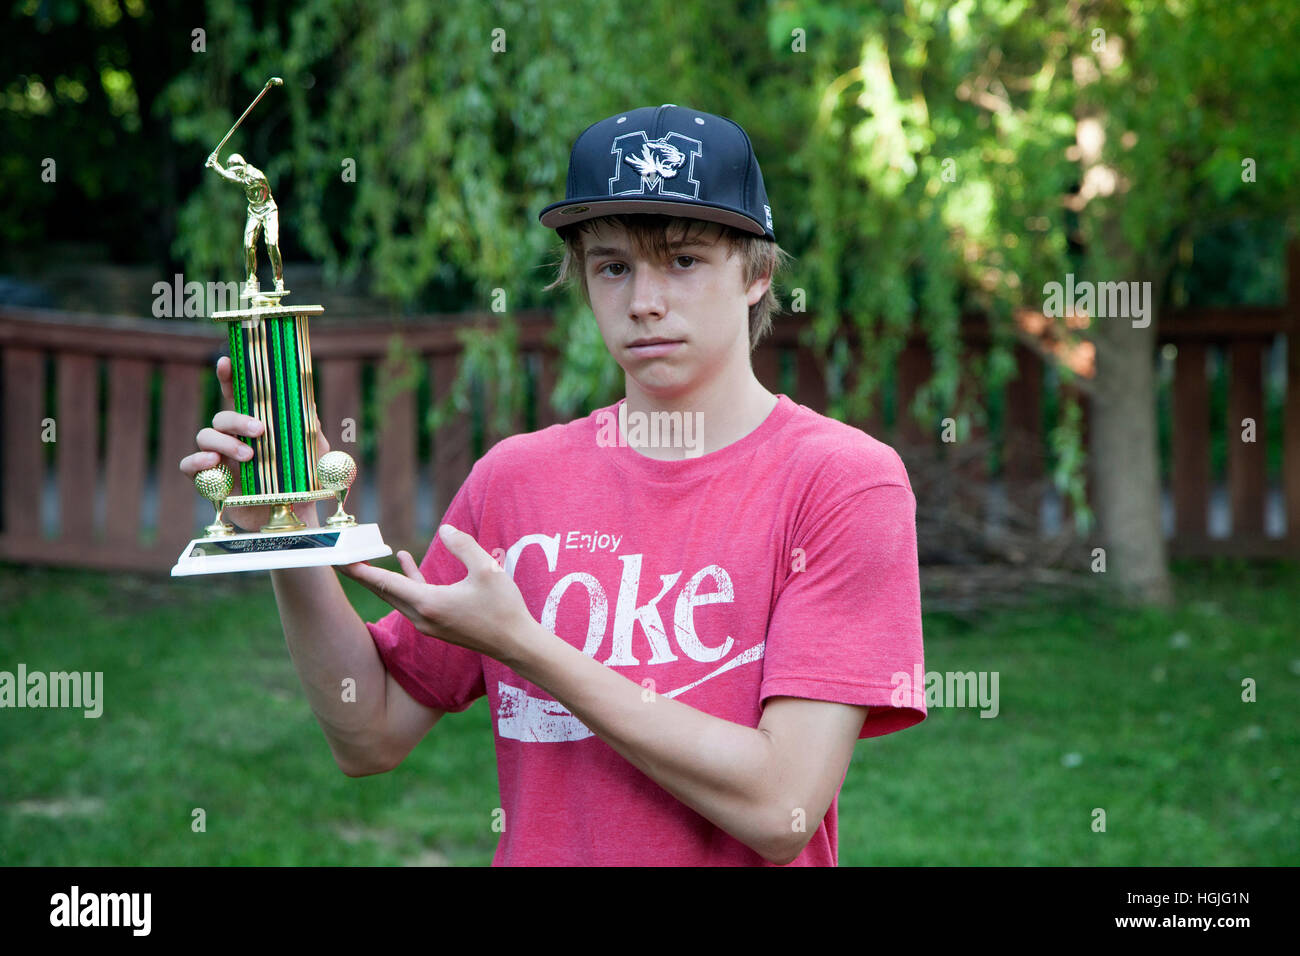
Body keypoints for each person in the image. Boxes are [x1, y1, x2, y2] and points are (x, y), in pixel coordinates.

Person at [181, 104, 926, 866]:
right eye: (612, 266)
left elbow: (781, 806)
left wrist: (526, 647)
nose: (643, 301)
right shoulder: (517, 479)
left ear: (757, 274)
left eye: (684, 260)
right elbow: (367, 732)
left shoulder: (842, 484)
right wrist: (287, 525)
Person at [204, 151, 284, 294]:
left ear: (243, 167)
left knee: (271, 243)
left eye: (238, 172)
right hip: (254, 210)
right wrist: (216, 166)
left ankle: (278, 280)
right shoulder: (241, 173)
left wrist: (216, 166)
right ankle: (251, 281)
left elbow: (234, 179)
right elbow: (230, 176)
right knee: (248, 245)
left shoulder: (256, 176)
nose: (237, 174)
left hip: (268, 209)